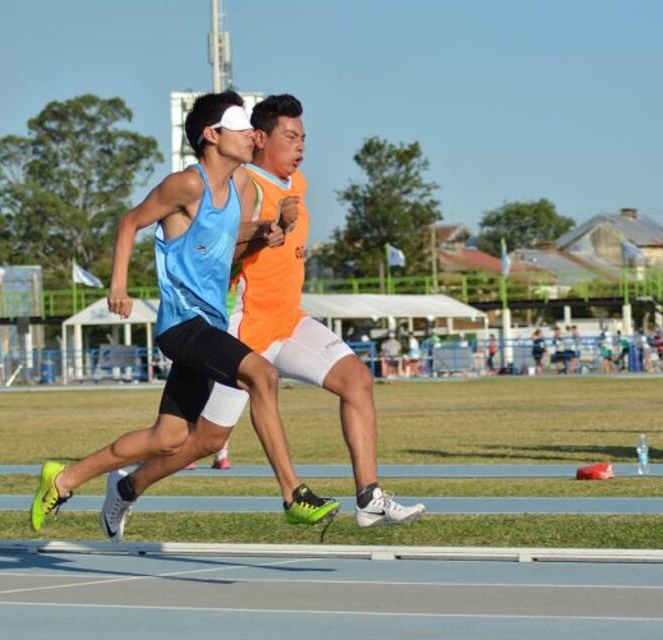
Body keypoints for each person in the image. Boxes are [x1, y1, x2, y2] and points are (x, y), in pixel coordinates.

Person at [99, 94, 424, 539]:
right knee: (205, 441)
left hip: (287, 322)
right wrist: (265, 233)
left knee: (358, 381)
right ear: (259, 138)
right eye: (289, 137)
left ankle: (368, 497)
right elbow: (222, 259)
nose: (300, 146)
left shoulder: (298, 185)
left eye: (304, 137)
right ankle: (129, 484)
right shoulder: (243, 187)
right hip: (243, 327)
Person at [30, 91, 340, 535]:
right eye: (240, 129)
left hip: (209, 322)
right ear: (213, 136)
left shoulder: (237, 191)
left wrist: (272, 231)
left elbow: (230, 243)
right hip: (181, 324)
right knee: (263, 375)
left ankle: (64, 478)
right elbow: (129, 222)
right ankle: (293, 495)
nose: (251, 137)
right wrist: (118, 288)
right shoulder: (187, 184)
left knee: (170, 438)